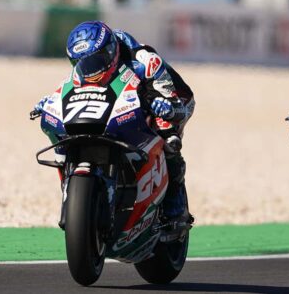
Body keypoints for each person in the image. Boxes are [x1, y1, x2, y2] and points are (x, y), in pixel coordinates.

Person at [34, 20, 195, 239]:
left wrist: (166, 106)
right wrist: (49, 103)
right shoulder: (84, 66)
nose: (90, 70)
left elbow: (173, 98)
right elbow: (68, 87)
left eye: (96, 61)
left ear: (111, 52)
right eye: (82, 64)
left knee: (167, 135)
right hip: (126, 98)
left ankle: (176, 211)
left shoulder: (144, 62)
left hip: (170, 96)